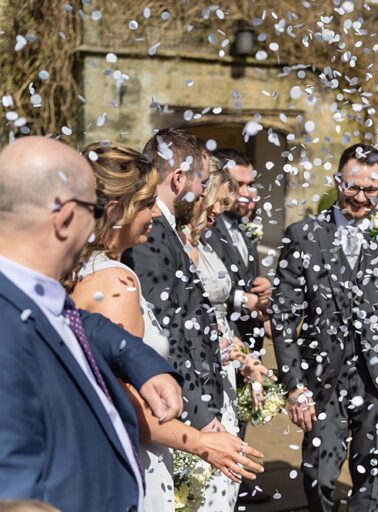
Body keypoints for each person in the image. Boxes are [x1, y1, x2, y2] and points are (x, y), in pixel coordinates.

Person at [68, 142, 264, 510]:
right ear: (116, 211)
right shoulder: (116, 283)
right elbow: (122, 398)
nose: (154, 215)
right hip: (133, 457)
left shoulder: (81, 269)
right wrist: (200, 442)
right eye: (145, 204)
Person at [0, 136, 183, 511]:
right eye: (94, 210)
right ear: (66, 217)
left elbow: (78, 322)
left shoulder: (28, 293)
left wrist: (140, 360)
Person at [271, 143, 378, 512]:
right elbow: (283, 316)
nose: (360, 198)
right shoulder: (303, 234)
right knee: (318, 477)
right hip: (323, 376)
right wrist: (295, 387)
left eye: (371, 190)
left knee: (373, 476)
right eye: (352, 187)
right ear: (338, 181)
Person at [179, 156, 271, 510]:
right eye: (216, 199)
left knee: (224, 478)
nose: (221, 209)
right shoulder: (179, 245)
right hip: (201, 372)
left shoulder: (208, 239)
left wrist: (245, 357)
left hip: (229, 361)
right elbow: (188, 313)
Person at [122, 128, 225, 431]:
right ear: (179, 178)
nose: (204, 192)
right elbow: (166, 329)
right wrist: (200, 416)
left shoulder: (164, 229)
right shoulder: (151, 234)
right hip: (176, 410)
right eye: (201, 181)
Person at [204, 148, 271, 350]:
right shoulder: (208, 226)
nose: (245, 193)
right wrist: (245, 300)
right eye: (238, 185)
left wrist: (263, 289)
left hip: (250, 340)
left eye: (250, 185)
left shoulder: (245, 227)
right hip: (225, 340)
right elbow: (206, 282)